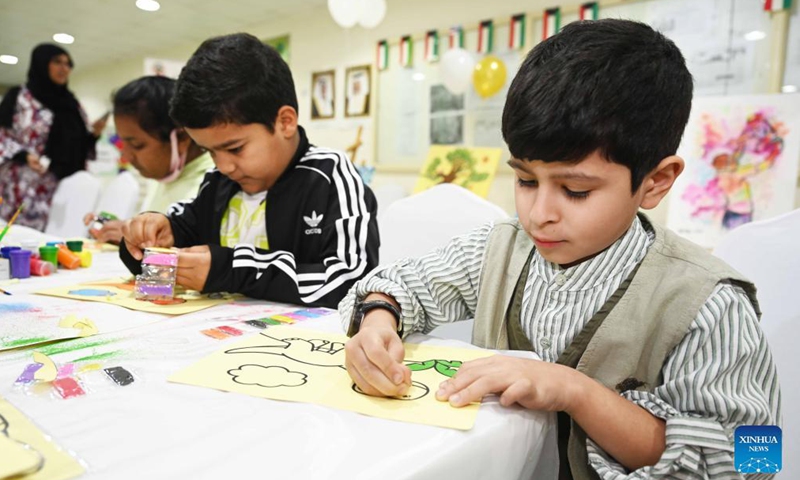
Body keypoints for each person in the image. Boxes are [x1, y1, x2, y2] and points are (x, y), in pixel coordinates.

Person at [340, 19, 780, 479]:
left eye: (575, 190)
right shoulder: (502, 249)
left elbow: (757, 459)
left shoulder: (709, 304)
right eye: (526, 180)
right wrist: (378, 318)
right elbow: (400, 282)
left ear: (656, 181)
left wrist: (577, 392)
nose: (539, 214)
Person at [119, 33, 379, 309]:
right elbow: (176, 240)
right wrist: (146, 240)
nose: (223, 166)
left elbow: (355, 283)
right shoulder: (217, 183)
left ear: (285, 122)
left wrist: (233, 270)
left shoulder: (330, 177)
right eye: (209, 151)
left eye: (235, 148)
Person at [83, 76, 215, 244]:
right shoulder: (164, 176)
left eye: (136, 145)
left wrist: (140, 240)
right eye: (123, 144)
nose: (127, 156)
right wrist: (124, 230)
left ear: (182, 138)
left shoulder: (213, 185)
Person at [0, 43, 108, 231]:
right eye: (57, 62)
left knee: (53, 238)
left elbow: (78, 145)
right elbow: (3, 135)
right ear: (42, 63)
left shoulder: (72, 103)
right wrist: (24, 156)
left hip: (60, 187)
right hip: (22, 186)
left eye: (68, 64)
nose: (64, 68)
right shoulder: (20, 97)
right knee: (15, 237)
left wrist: (94, 135)